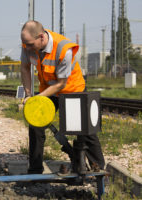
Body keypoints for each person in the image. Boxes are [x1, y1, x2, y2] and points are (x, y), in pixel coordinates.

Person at [20, 20, 105, 174]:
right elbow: (25, 69)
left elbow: (60, 84)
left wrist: (37, 98)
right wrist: (28, 95)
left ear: (41, 37)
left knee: (85, 130)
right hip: (48, 90)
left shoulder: (63, 48)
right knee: (35, 123)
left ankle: (98, 167)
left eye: (30, 44)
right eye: (26, 44)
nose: (27, 48)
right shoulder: (28, 45)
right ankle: (35, 169)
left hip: (72, 89)